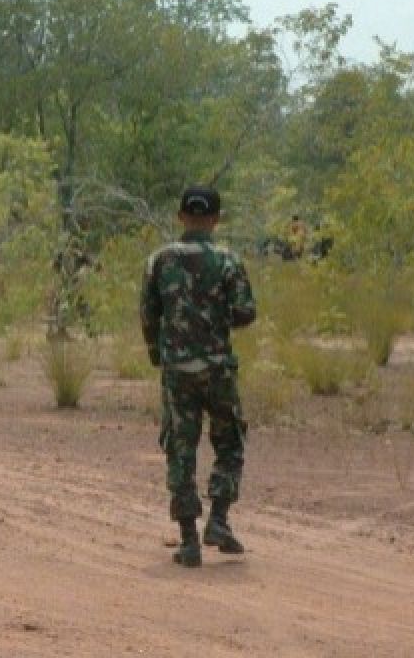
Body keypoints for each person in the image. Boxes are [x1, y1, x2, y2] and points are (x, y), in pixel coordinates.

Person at [140, 186, 256, 568]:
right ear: (216, 219)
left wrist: (160, 353)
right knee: (230, 441)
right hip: (218, 367)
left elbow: (148, 315)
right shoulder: (228, 261)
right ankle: (219, 520)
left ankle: (189, 540)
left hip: (177, 370)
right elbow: (246, 312)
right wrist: (215, 316)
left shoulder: (159, 261)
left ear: (180, 217)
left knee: (180, 449)